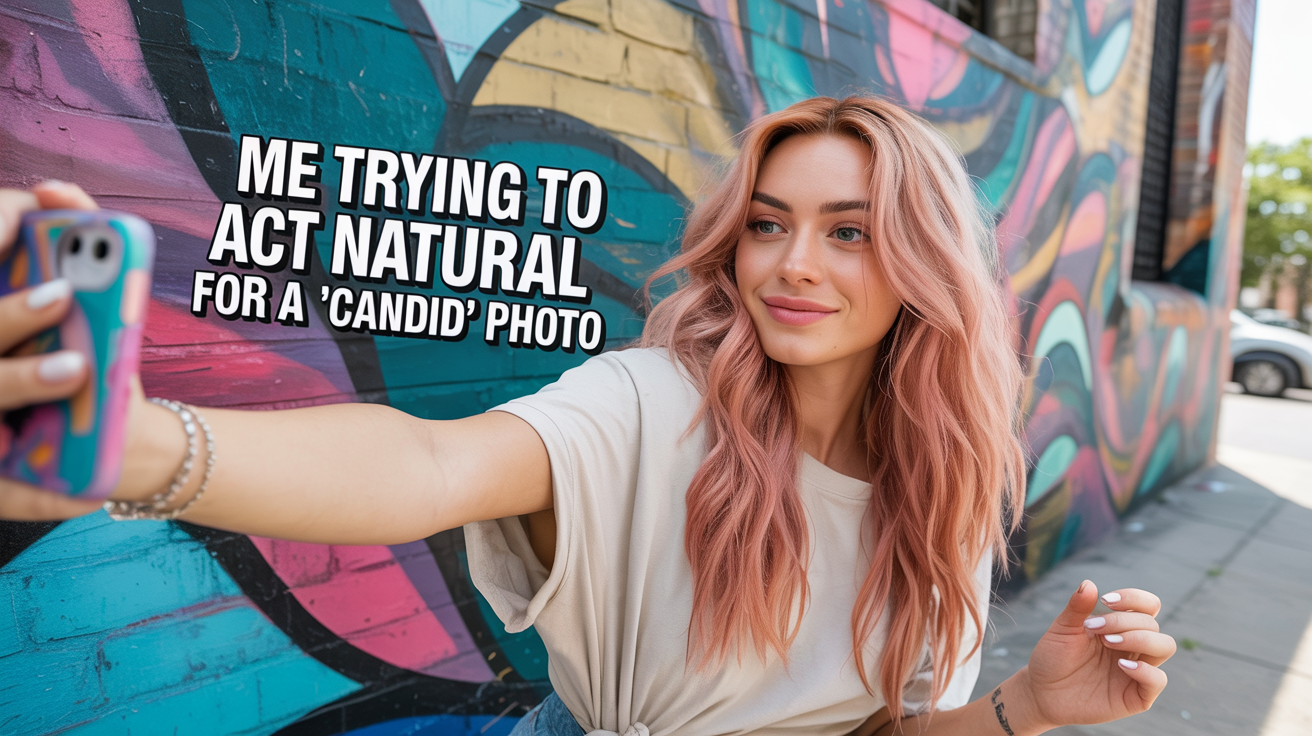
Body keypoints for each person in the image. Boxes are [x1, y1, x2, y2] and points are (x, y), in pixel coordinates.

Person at [0, 96, 1174, 736]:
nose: (790, 264)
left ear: (925, 261)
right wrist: (142, 444)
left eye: (848, 230)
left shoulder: (947, 484)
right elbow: (427, 466)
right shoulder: (659, 403)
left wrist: (1030, 710)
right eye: (766, 222)